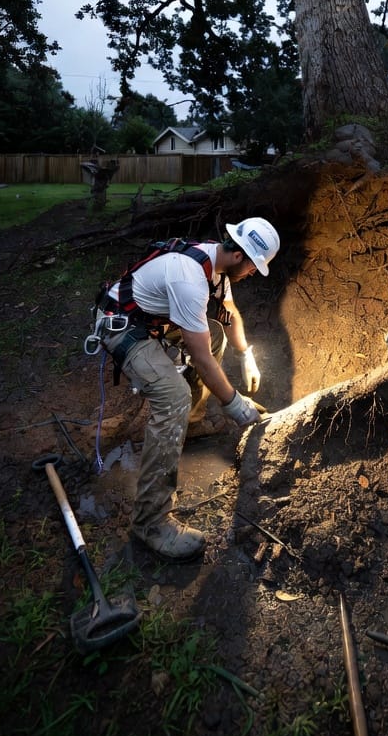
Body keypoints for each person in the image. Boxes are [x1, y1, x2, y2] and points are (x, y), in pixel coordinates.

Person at [94, 217, 280, 560]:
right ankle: (150, 523)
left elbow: (230, 313)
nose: (255, 273)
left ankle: (189, 425)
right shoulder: (189, 278)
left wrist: (245, 355)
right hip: (122, 325)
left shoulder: (217, 266)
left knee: (216, 337)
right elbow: (202, 360)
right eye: (255, 267)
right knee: (172, 395)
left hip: (152, 319)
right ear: (239, 256)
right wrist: (236, 406)